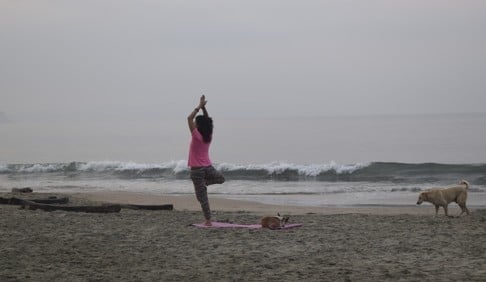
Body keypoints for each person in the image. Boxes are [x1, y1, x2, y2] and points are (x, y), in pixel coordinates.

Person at [187, 95, 225, 226]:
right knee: (221, 179)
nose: (195, 124)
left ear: (198, 125)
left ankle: (208, 220)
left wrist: (199, 106)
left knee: (202, 197)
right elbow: (208, 121)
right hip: (208, 167)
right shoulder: (209, 135)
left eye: (196, 123)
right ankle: (205, 184)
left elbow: (189, 118)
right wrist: (204, 108)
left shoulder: (196, 135)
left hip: (197, 170)